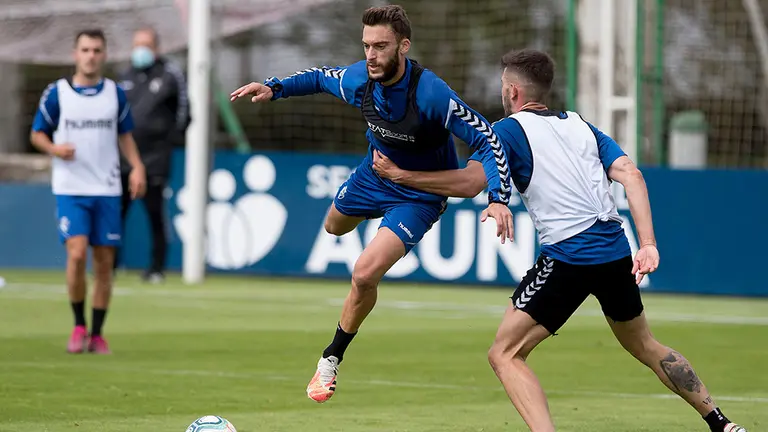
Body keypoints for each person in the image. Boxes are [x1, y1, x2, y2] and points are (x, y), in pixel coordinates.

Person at [372, 48, 746, 432]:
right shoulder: (581, 125)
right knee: (646, 346)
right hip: (615, 252)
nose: (503, 93)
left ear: (514, 91)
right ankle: (721, 422)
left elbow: (470, 183)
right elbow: (631, 175)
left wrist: (402, 175)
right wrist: (647, 243)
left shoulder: (506, 131)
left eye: (503, 87)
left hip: (570, 257)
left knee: (504, 354)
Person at [231, 5, 514, 404]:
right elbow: (317, 77)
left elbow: (488, 138)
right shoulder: (359, 79)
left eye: (380, 46)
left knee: (364, 274)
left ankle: (331, 358)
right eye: (366, 46)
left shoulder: (430, 92)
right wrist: (273, 88)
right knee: (333, 227)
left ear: (403, 45)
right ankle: (375, 217)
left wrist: (498, 198)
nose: (371, 55)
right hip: (373, 176)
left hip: (419, 195)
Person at [30, 29, 147, 355]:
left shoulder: (114, 93)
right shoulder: (58, 93)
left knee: (104, 262)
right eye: (85, 49)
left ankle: (97, 334)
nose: (91, 55)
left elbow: (124, 135)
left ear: (104, 54)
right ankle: (78, 325)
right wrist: (55, 148)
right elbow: (37, 134)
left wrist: (137, 166)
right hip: (71, 188)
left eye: (96, 50)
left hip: (107, 187)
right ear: (75, 54)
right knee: (77, 253)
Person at [116, 27, 190, 283]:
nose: (141, 50)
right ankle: (109, 266)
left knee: (155, 216)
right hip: (124, 159)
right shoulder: (123, 75)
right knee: (115, 215)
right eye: (137, 44)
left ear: (156, 48)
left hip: (155, 160)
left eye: (146, 45)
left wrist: (166, 140)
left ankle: (156, 269)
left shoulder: (171, 74)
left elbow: (184, 113)